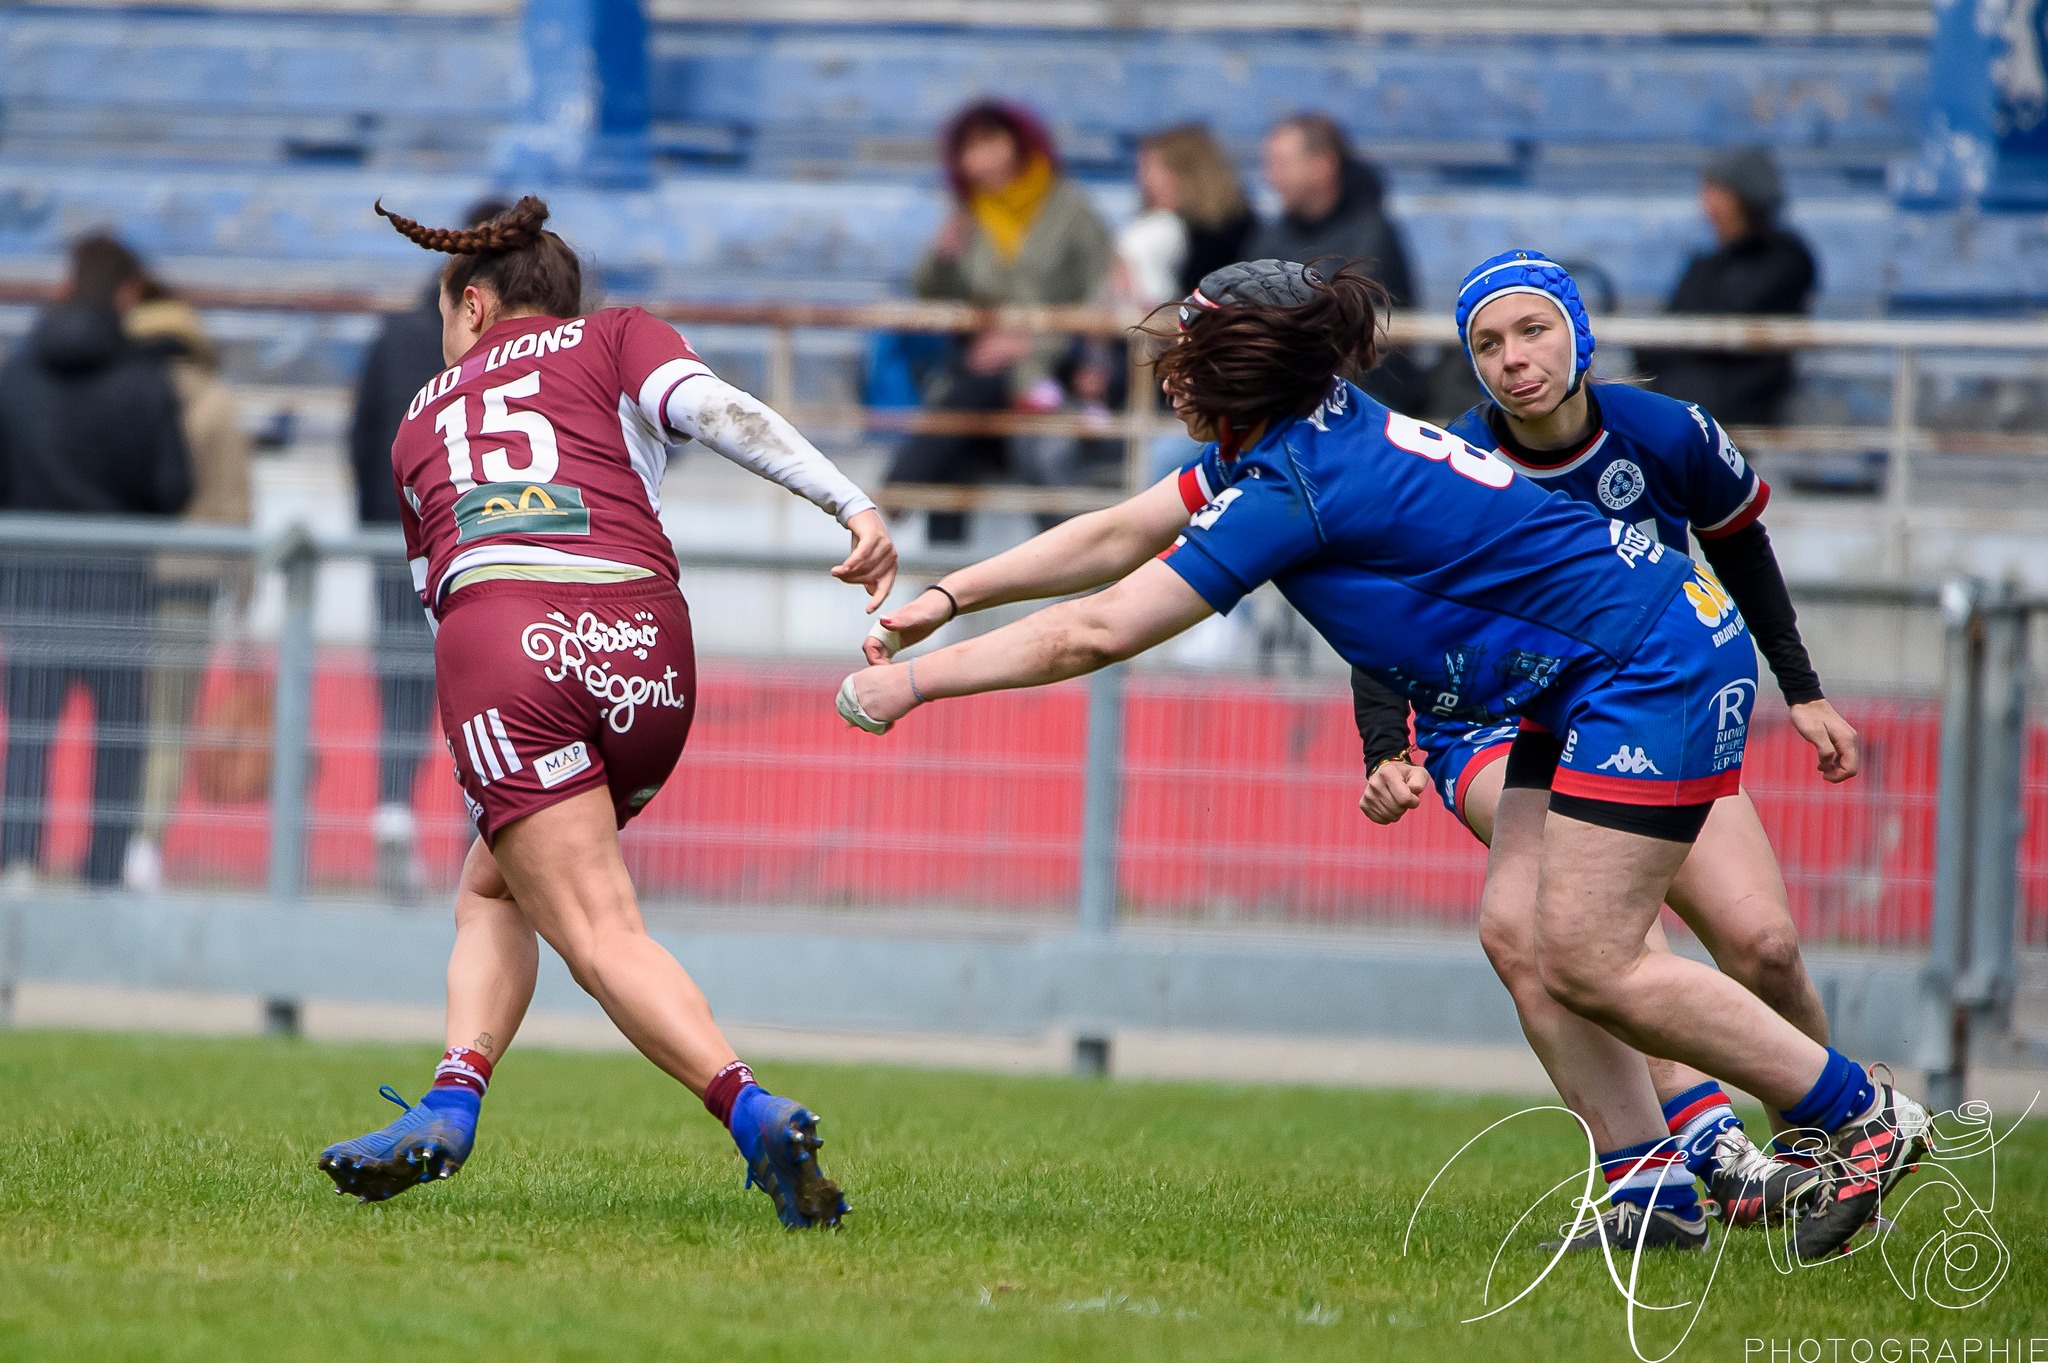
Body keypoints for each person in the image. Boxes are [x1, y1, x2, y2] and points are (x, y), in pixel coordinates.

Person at [841, 259, 1926, 1262]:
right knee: (1521, 935)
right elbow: (1116, 532)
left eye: (1189, 350)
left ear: (1243, 365)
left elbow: (1099, 627)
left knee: (1596, 956)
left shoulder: (1298, 478)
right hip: (1588, 672)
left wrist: (915, 685)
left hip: (1647, 665)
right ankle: (1650, 1189)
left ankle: (1858, 1114)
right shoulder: (1299, 435)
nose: (1169, 371)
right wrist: (948, 595)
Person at [318, 197, 897, 1229]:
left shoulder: (419, 419)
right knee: (494, 883)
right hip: (649, 651)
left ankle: (750, 1108)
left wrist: (494, 706)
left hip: (510, 645)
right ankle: (452, 1096)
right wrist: (850, 503)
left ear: (474, 304)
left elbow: (437, 597)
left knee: (593, 925)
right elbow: (721, 412)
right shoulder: (619, 336)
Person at [1352, 251, 1858, 1246]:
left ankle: (1827, 1163)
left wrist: (1801, 689)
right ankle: (1695, 1150)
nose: (1513, 358)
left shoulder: (1665, 433)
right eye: (1487, 344)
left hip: (1652, 701)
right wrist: (1385, 745)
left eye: (1532, 331)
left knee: (1763, 945)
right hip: (1500, 726)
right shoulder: (1454, 463)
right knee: (1583, 928)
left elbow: (1738, 544)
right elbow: (1383, 613)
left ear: (1578, 335)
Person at [0, 232, 190, 889]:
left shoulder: (16, 375)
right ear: (128, 294)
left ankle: (16, 867)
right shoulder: (145, 380)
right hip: (118, 581)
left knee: (29, 729)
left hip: (31, 579)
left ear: (66, 283)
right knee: (119, 736)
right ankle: (103, 874)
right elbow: (173, 487)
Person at [350, 196, 513, 902]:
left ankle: (393, 809)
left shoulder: (394, 336)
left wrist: (375, 528)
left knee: (400, 683)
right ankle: (478, 842)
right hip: (480, 544)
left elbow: (361, 440)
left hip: (398, 538)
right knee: (481, 690)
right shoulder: (511, 349)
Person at [886, 100, 1113, 544]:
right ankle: (942, 575)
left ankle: (898, 485)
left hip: (1055, 365)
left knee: (974, 398)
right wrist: (942, 257)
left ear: (1018, 142)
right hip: (986, 369)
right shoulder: (969, 213)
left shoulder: (1069, 207)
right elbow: (933, 293)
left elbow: (1100, 294)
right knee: (955, 460)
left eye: (990, 142)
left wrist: (1030, 341)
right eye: (969, 148)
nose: (981, 158)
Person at [124, 279, 254, 893]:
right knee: (169, 724)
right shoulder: (219, 404)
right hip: (191, 586)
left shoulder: (121, 394)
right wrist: (245, 596)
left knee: (118, 718)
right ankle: (144, 846)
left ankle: (109, 837)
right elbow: (236, 506)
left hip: (120, 582)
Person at [1245, 113, 1422, 415]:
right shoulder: (1272, 233)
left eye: (1281, 164)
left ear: (1323, 166)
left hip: (1361, 399)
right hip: (1280, 391)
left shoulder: (1371, 234)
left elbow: (1345, 319)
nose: (1270, 179)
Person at [1639, 146, 1818, 425]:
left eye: (1719, 194)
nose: (1709, 207)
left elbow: (1731, 314)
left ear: (1747, 199)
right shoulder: (1707, 265)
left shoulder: (1786, 259)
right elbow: (1665, 334)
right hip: (1685, 400)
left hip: (1741, 405)